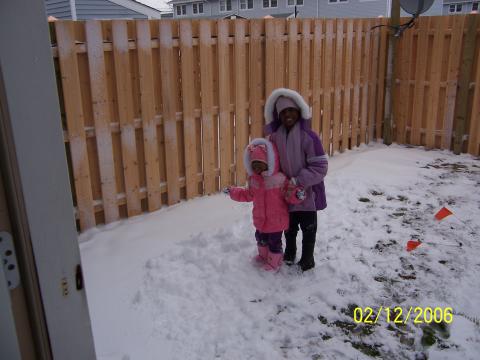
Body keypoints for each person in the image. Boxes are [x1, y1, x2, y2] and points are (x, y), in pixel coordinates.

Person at [264, 88, 328, 272]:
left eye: (291, 110)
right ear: (278, 115)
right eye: (283, 112)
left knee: (309, 228)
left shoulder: (309, 136)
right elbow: (272, 163)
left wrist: (298, 180)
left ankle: (308, 259)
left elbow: (320, 166)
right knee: (289, 228)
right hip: (286, 194)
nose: (288, 114)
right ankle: (289, 253)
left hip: (307, 194)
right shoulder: (275, 137)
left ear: (299, 111)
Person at [223, 138, 305, 272]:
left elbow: (289, 193)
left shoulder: (280, 179)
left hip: (276, 221)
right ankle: (263, 255)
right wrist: (232, 191)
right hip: (261, 219)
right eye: (254, 165)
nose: (256, 168)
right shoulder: (254, 180)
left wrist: (297, 194)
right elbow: (247, 194)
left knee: (274, 242)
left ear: (270, 162)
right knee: (261, 238)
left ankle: (274, 262)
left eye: (260, 164)